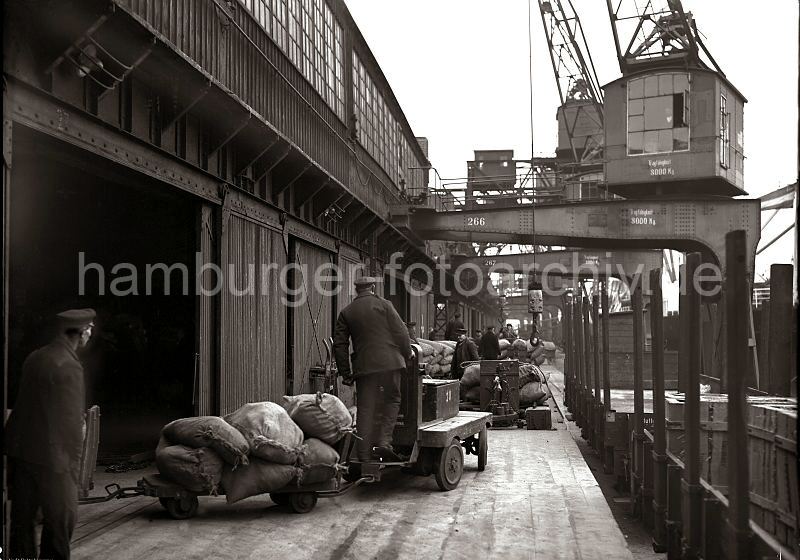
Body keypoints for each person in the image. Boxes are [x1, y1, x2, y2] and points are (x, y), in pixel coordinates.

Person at [6, 308, 96, 560]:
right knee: (61, 521)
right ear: (83, 332)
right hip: (55, 460)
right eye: (90, 330)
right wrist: (75, 470)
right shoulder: (69, 366)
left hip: (24, 454)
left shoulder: (35, 357)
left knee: (21, 523)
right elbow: (71, 423)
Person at [333, 277, 411, 463]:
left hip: (365, 368)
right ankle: (384, 442)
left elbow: (340, 345)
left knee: (366, 409)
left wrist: (346, 374)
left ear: (357, 290)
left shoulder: (347, 312)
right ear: (373, 287)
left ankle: (364, 455)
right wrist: (407, 355)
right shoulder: (384, 305)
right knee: (393, 399)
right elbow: (401, 332)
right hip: (390, 363)